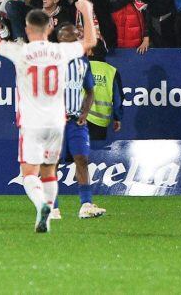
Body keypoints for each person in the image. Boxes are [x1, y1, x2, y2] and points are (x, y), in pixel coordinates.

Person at [0, 0, 97, 233]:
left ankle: (43, 207)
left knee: (29, 173)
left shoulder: (22, 51)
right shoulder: (61, 52)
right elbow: (90, 42)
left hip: (31, 121)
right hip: (56, 122)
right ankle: (50, 210)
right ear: (49, 30)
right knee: (50, 169)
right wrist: (87, 12)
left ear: (28, 30)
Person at [52, 23, 105, 221]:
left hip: (75, 121)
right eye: (75, 37)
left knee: (82, 159)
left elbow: (90, 90)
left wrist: (84, 113)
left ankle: (86, 205)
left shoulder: (83, 62)